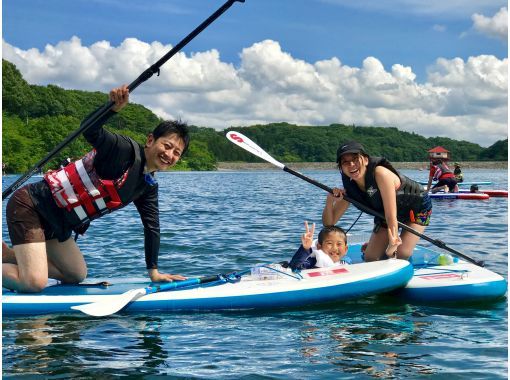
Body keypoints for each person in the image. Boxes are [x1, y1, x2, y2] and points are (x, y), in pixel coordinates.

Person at [3, 85, 189, 292]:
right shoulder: (122, 149)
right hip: (31, 206)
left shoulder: (147, 186)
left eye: (177, 153)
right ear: (150, 140)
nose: (170, 155)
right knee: (34, 283)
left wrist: (153, 271)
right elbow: (89, 129)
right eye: (167, 145)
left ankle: (11, 256)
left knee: (75, 274)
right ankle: (28, 267)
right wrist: (112, 108)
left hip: (56, 225)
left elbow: (152, 227)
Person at [322, 141, 432, 261]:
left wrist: (392, 245)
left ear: (366, 160)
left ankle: (399, 251)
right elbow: (329, 224)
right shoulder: (350, 188)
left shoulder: (381, 173)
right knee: (371, 258)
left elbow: (391, 216)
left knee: (401, 254)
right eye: (345, 162)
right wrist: (329, 201)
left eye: (355, 159)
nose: (352, 164)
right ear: (341, 168)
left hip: (417, 208)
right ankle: (377, 247)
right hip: (385, 214)